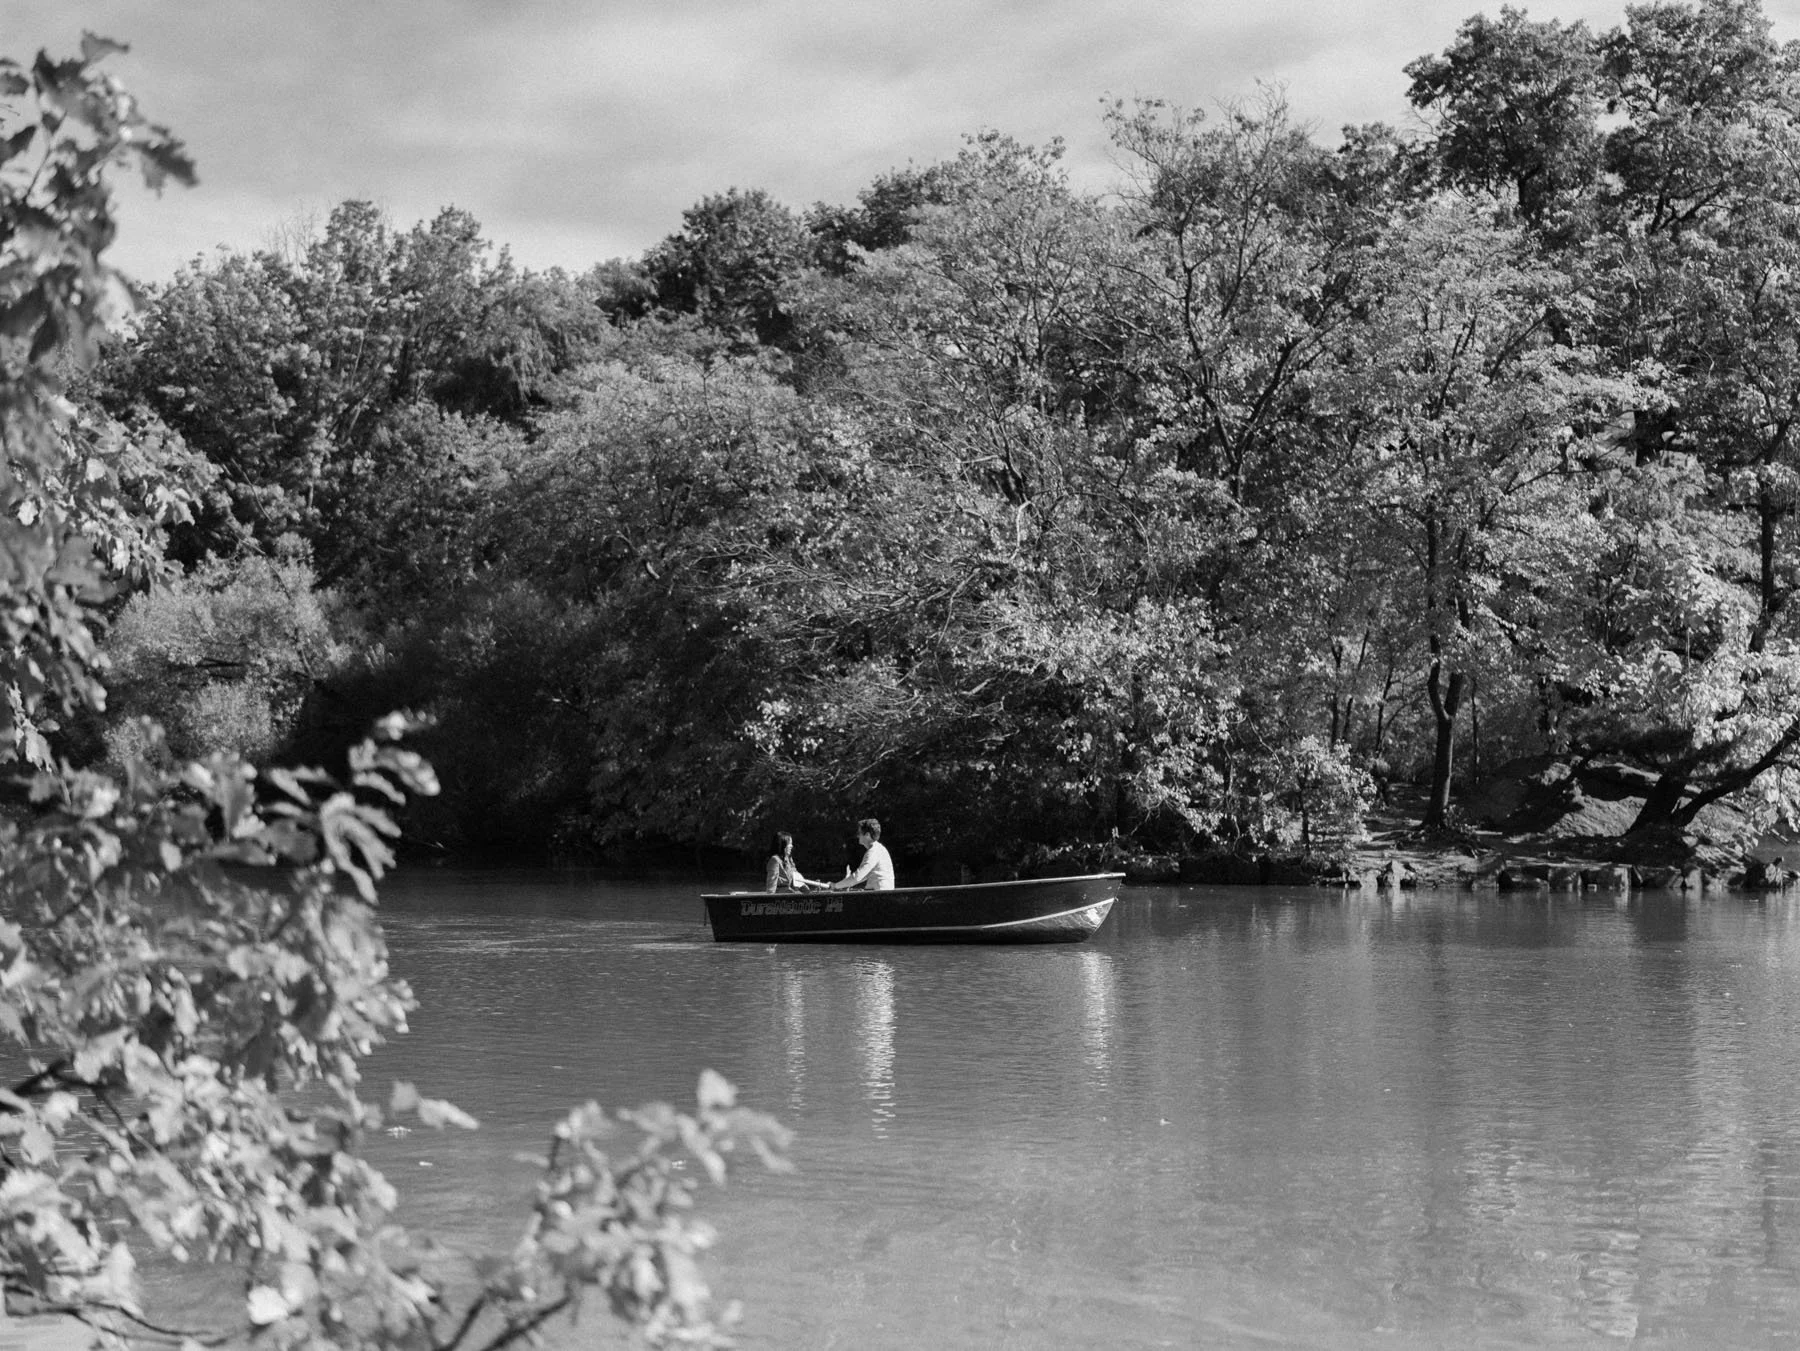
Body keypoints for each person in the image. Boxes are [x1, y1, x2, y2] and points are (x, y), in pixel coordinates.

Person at [831, 818, 895, 891]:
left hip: (880, 895)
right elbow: (862, 876)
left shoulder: (873, 852)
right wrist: (843, 884)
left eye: (859, 833)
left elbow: (857, 877)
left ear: (867, 835)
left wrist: (835, 886)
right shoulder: (879, 849)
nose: (858, 836)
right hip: (880, 893)